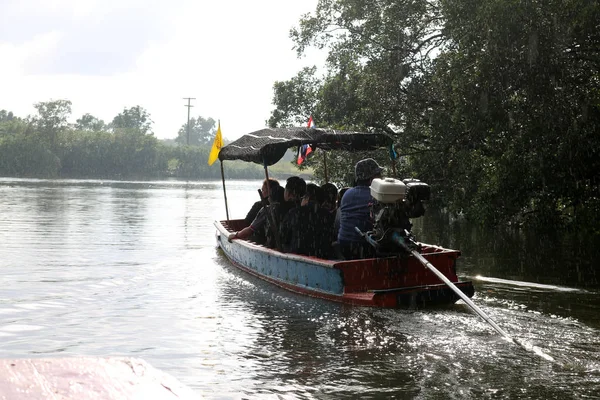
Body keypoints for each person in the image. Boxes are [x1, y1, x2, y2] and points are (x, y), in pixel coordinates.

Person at [337, 158, 384, 259]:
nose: (382, 178)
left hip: (345, 245)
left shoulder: (347, 194)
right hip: (365, 247)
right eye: (379, 175)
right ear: (372, 179)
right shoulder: (376, 196)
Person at [280, 183, 335, 258]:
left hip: (297, 255)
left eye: (302, 198)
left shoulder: (294, 212)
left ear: (307, 198)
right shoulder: (327, 215)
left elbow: (283, 236)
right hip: (322, 255)